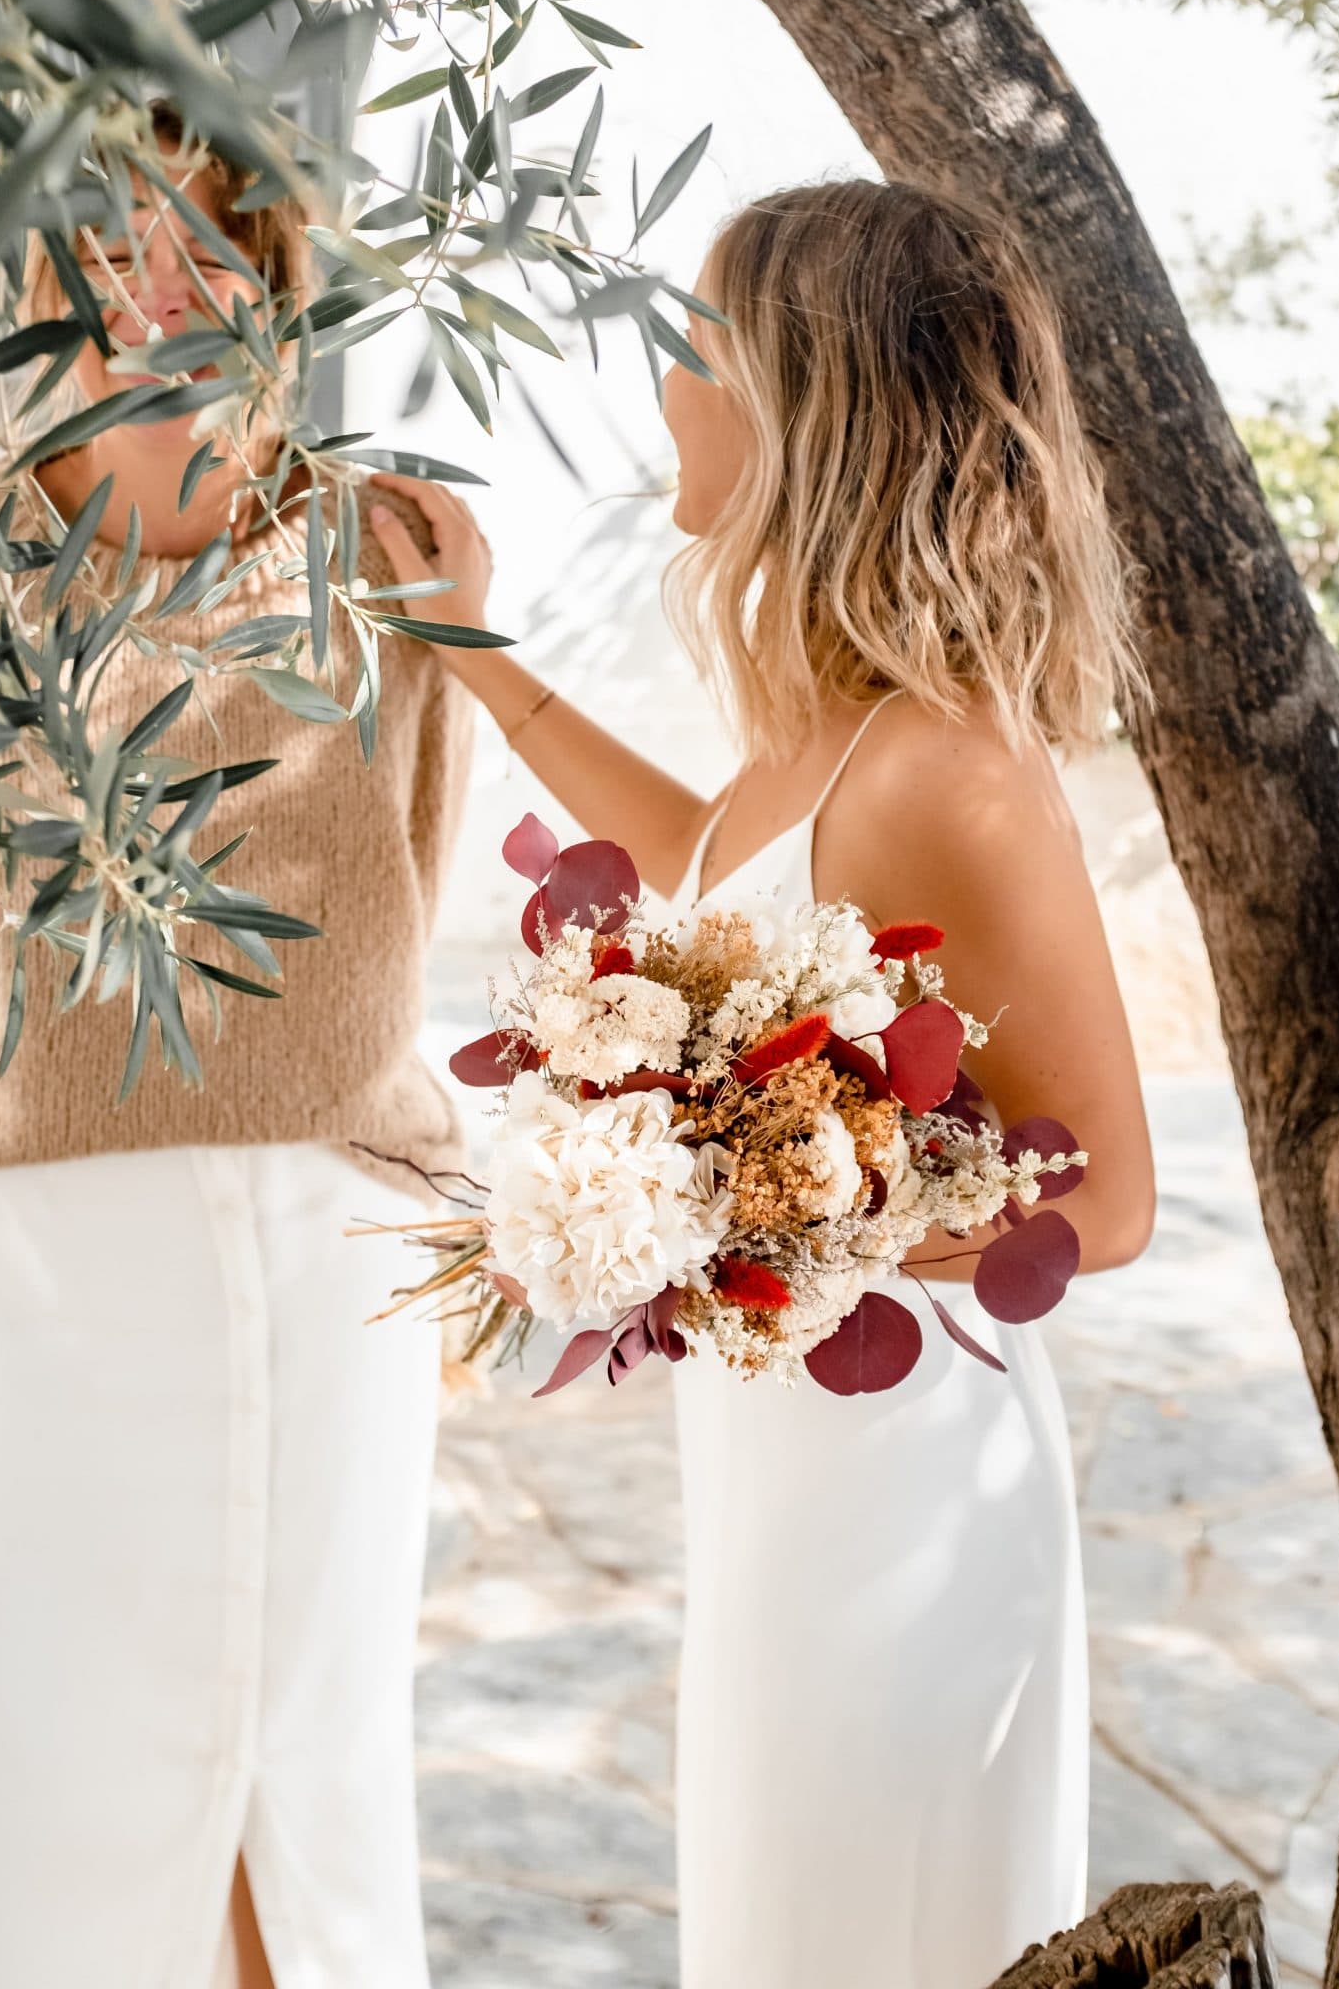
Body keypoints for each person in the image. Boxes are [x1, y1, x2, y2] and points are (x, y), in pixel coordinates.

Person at [368, 178, 1158, 1987]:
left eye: (697, 347)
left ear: (806, 403)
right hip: (786, 1450)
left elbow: (1106, 1202)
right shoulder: (838, 731)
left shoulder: (949, 766)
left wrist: (738, 1201)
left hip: (906, 1479)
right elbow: (705, 864)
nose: (665, 381)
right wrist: (472, 655)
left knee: (871, 1917)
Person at [0, 115, 471, 1988]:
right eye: (99, 242)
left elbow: (411, 867)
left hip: (332, 1248)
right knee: (4, 1762)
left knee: (293, 1771)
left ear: (268, 286)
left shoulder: (384, 552)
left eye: (200, 241)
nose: (151, 278)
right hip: (45, 1269)